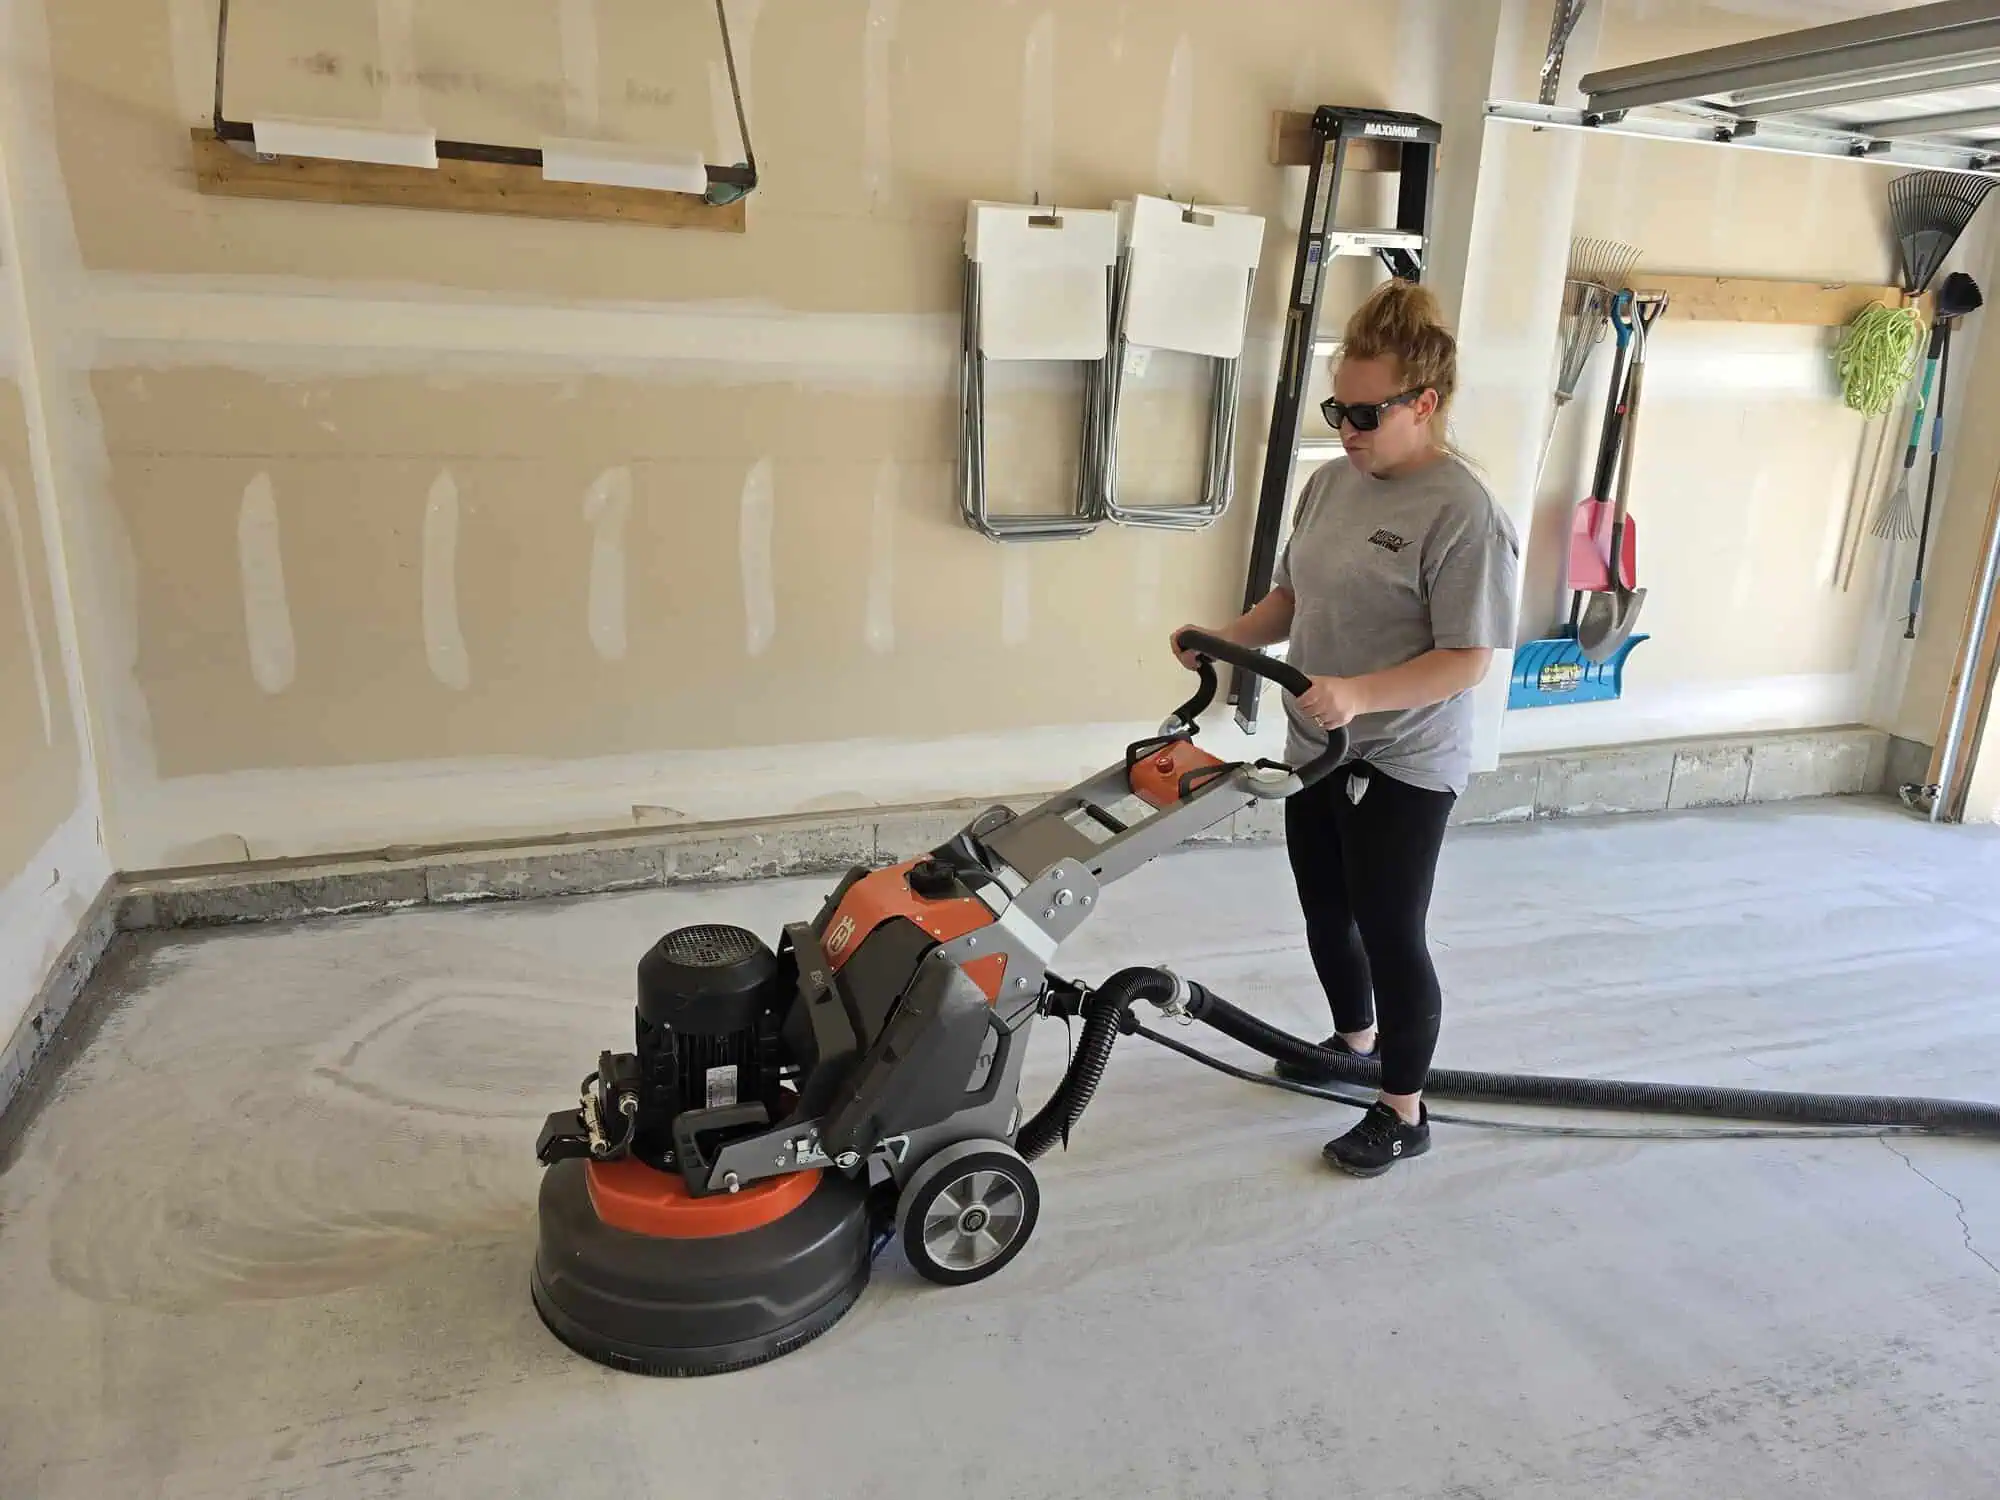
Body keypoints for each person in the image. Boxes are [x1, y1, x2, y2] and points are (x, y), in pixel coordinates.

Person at [1173, 277, 1520, 1178]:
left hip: (1404, 760)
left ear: (1425, 404)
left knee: (1391, 930)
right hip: (1318, 746)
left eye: (1367, 415)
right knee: (1329, 916)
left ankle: (1403, 1109)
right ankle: (1352, 1042)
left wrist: (1362, 696)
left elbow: (1469, 658)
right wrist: (1226, 639)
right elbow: (1292, 598)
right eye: (1339, 410)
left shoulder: (1463, 512)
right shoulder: (1330, 485)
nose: (1348, 431)